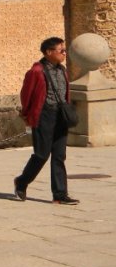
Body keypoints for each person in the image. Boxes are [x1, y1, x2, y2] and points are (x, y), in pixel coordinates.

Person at [14, 37, 79, 205]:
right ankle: (21, 181)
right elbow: (26, 95)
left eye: (64, 50)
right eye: (61, 50)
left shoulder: (62, 70)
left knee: (59, 156)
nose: (64, 53)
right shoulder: (36, 71)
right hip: (44, 115)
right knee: (41, 155)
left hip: (61, 116)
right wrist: (27, 115)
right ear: (49, 52)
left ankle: (60, 194)